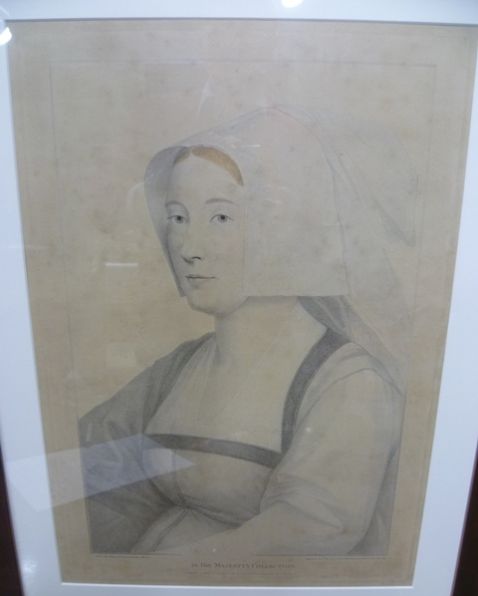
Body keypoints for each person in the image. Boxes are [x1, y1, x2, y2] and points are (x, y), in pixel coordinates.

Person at [79, 106, 416, 556]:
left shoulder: (349, 382)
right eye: (178, 218)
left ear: (284, 229)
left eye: (220, 218)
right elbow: (86, 468)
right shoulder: (180, 368)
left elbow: (310, 529)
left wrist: (156, 574)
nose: (188, 248)